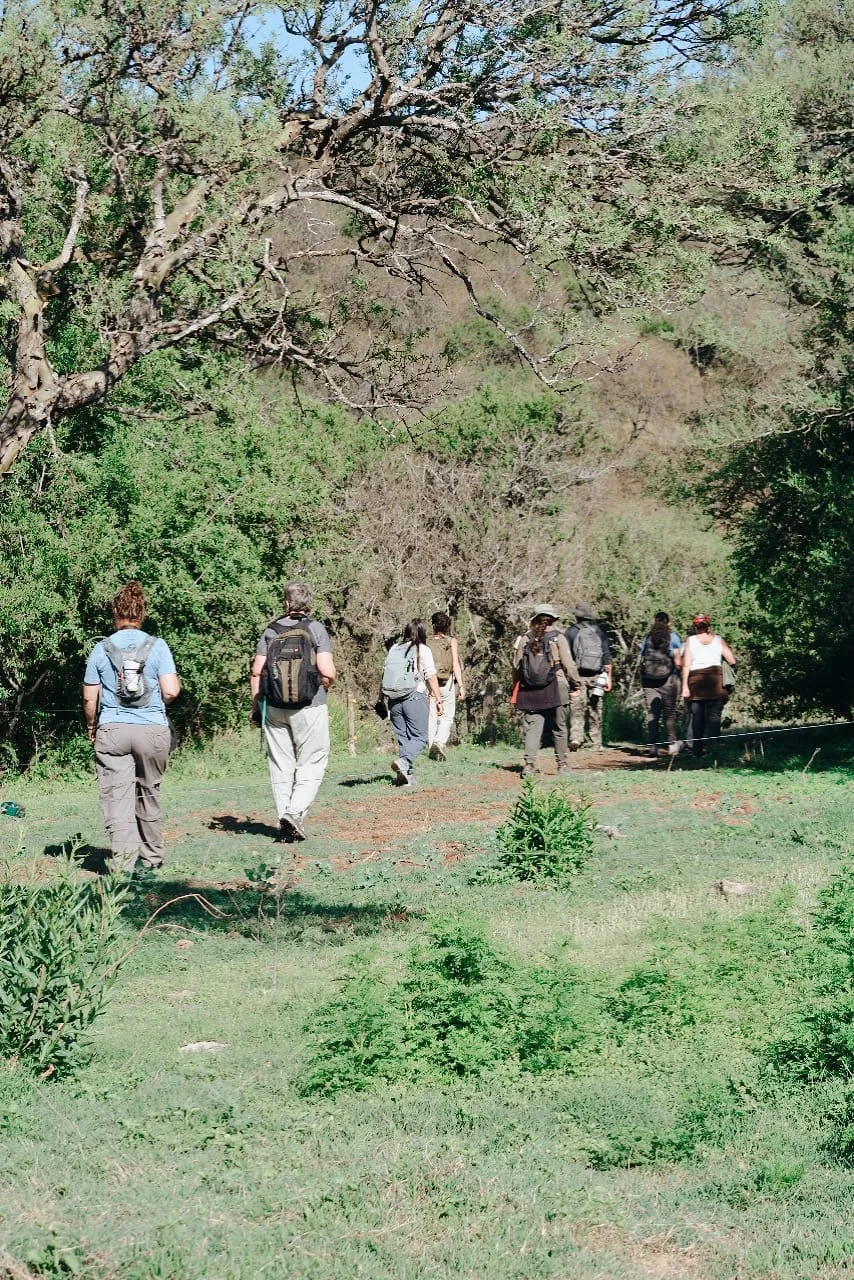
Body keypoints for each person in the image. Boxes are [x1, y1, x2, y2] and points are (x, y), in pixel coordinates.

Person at [82, 582, 180, 875]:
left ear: (116, 613)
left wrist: (92, 725)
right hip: (152, 731)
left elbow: (89, 696)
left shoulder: (102, 648)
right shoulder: (157, 645)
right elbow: (172, 690)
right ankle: (151, 860)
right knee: (149, 792)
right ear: (142, 612)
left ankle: (123, 864)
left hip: (113, 729)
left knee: (118, 797)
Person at [250, 583, 336, 841]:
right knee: (313, 759)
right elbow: (328, 672)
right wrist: (322, 685)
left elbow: (257, 671)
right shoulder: (315, 628)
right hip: (310, 706)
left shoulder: (270, 630)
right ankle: (295, 812)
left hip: (274, 706)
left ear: (286, 604)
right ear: (308, 603)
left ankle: (284, 822)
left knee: (280, 764)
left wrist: (256, 707)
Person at [512, 604, 580, 778]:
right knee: (560, 728)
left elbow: (516, 666)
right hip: (557, 687)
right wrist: (576, 684)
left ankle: (529, 766)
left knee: (533, 729)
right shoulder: (558, 638)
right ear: (552, 619)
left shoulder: (524, 639)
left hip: (530, 690)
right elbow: (569, 665)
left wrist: (517, 687)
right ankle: (562, 765)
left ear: (534, 619)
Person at [382, 619, 443, 786]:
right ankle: (404, 763)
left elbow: (385, 673)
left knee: (404, 739)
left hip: (393, 700)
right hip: (414, 697)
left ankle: (405, 777)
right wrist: (438, 699)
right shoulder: (422, 649)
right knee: (420, 738)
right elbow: (430, 675)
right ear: (422, 632)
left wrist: (381, 699)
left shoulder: (394, 648)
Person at [680, 613, 737, 758]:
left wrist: (684, 687)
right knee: (714, 718)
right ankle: (714, 751)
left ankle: (697, 752)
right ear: (708, 626)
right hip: (715, 683)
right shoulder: (718, 640)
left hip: (695, 684)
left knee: (697, 719)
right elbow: (732, 660)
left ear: (695, 626)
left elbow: (686, 665)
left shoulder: (690, 641)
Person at [565, 602, 612, 751]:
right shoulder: (599, 631)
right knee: (595, 709)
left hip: (577, 675)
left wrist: (569, 678)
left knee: (576, 709)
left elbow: (567, 658)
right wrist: (609, 678)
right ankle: (595, 742)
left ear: (577, 616)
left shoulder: (571, 632)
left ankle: (576, 738)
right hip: (597, 675)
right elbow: (607, 657)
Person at [639, 612, 682, 757]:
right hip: (668, 680)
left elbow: (643, 656)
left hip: (649, 681)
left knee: (653, 713)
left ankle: (653, 747)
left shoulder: (647, 637)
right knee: (669, 713)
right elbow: (677, 661)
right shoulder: (673, 637)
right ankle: (672, 745)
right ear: (668, 623)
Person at [427, 611, 466, 762]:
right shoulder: (451, 641)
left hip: (430, 683)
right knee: (448, 715)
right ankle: (439, 742)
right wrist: (461, 686)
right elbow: (455, 664)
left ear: (433, 625)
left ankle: (431, 746)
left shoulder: (426, 642)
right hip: (447, 682)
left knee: (431, 716)